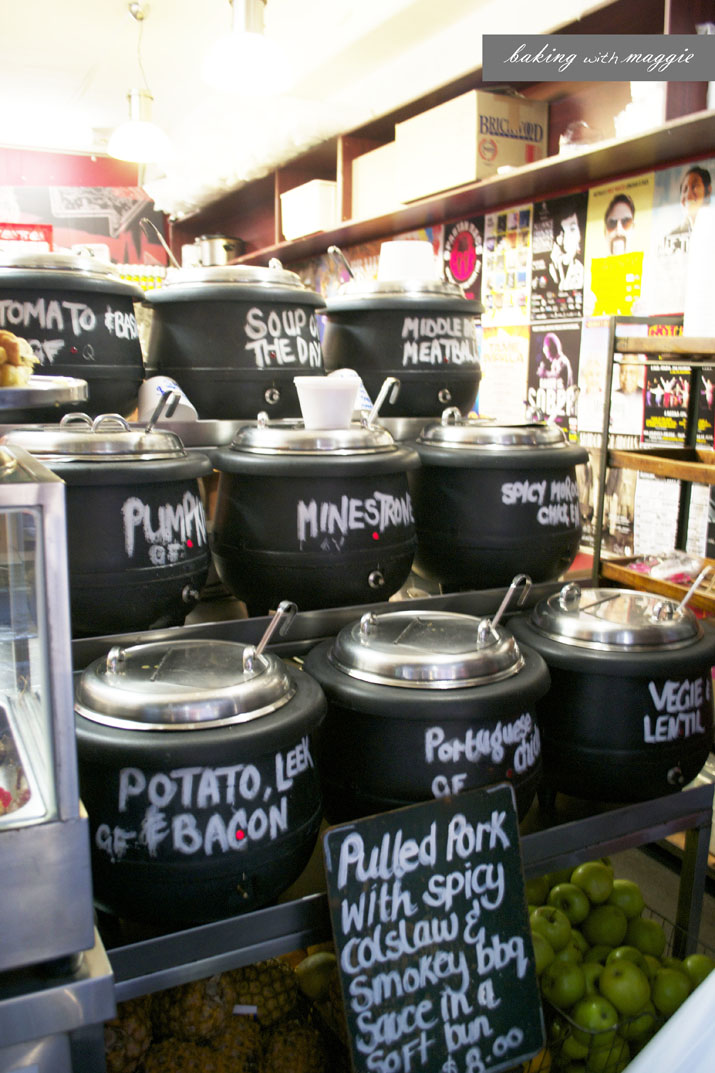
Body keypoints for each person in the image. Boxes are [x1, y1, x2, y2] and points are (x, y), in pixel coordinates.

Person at [548, 209, 584, 291]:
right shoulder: (551, 268)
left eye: (573, 229)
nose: (578, 236)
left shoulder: (580, 269)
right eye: (572, 229)